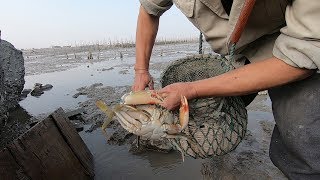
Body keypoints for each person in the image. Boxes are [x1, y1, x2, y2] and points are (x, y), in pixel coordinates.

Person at [132, 0, 320, 179]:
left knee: (305, 142)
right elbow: (149, 9)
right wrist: (141, 70)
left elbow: (305, 51)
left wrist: (193, 89)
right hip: (235, 52)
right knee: (207, 111)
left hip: (290, 46)